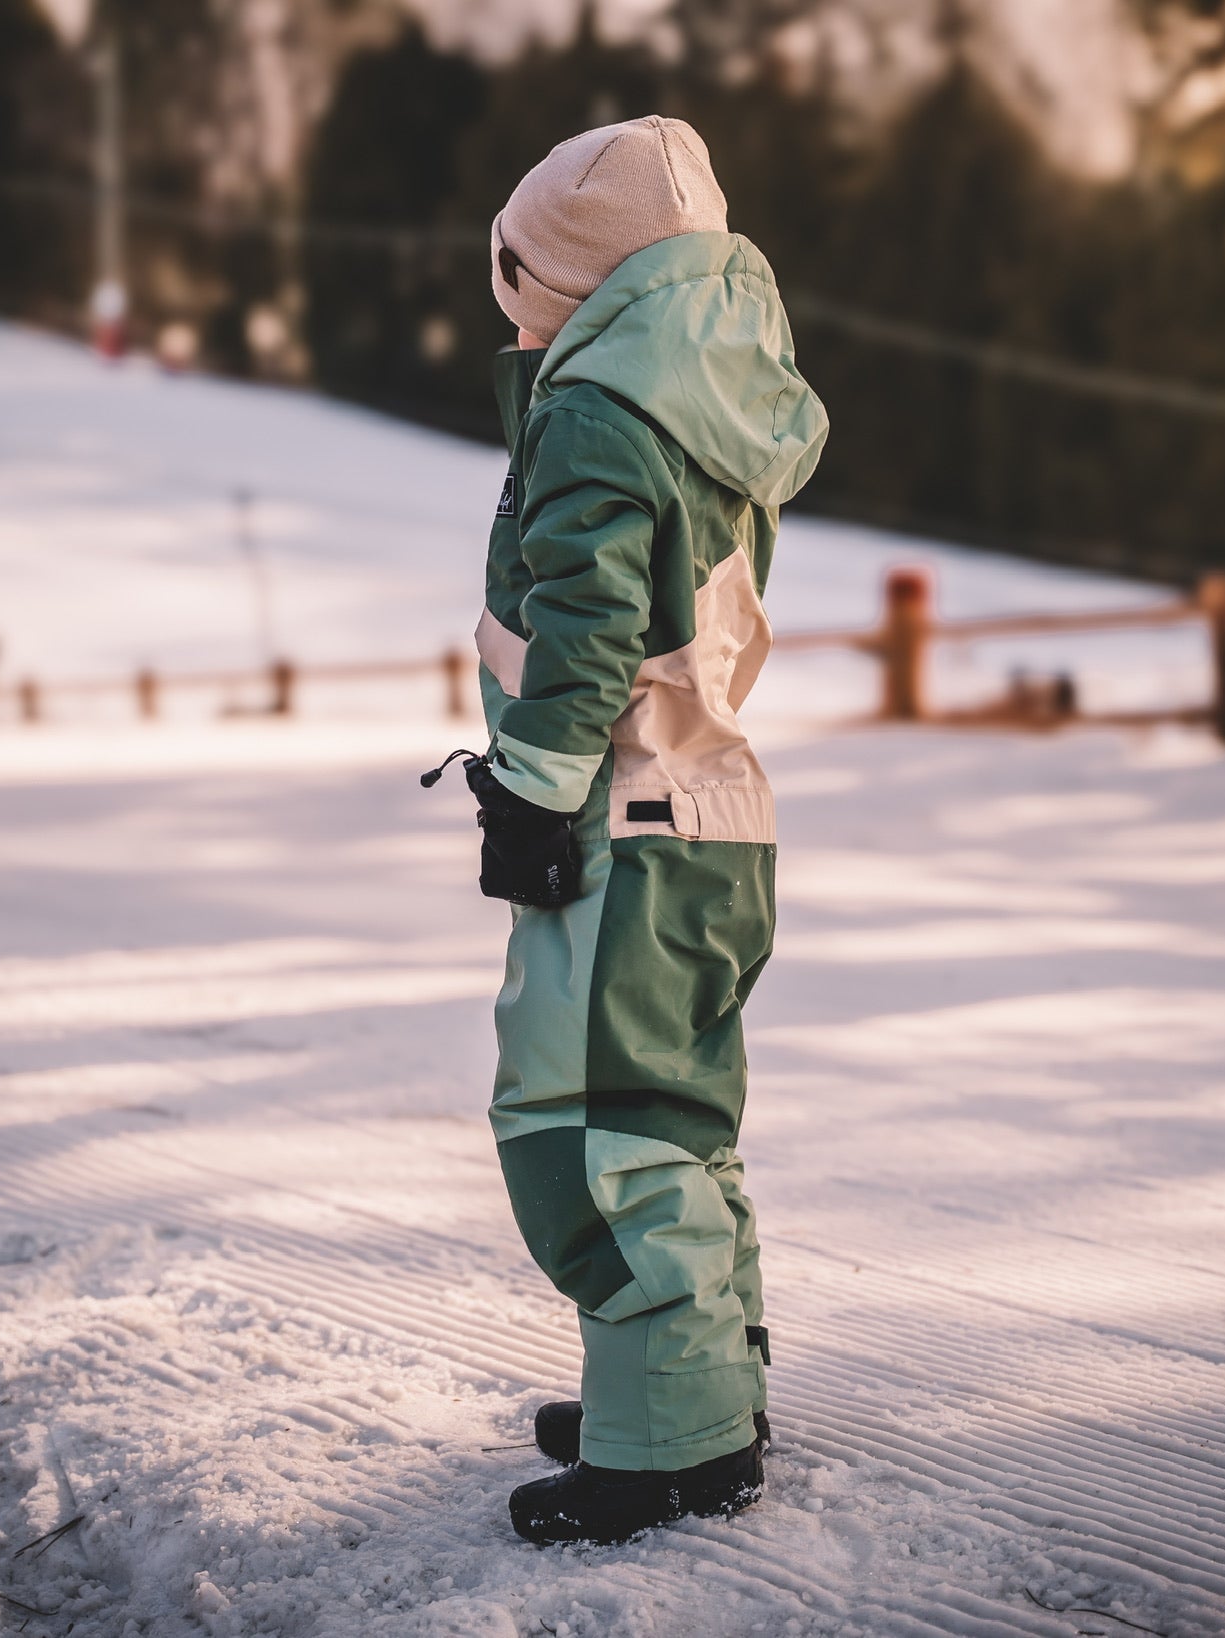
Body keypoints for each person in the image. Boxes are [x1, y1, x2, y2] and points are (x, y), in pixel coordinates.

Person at [429, 114, 827, 1545]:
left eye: (519, 275)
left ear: (583, 281)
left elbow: (588, 625)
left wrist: (531, 796)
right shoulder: (703, 385)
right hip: (713, 815)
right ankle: (701, 1384)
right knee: (678, 1118)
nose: (510, 303)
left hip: (623, 818)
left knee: (584, 1128)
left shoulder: (600, 407)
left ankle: (671, 1440)